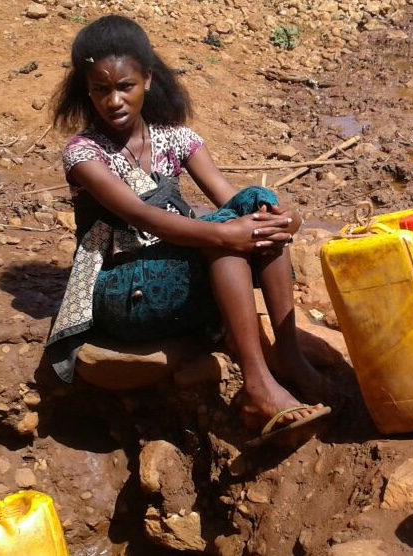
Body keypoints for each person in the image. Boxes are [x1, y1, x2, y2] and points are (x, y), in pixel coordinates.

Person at [44, 14, 330, 445]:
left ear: (148, 80)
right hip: (121, 289)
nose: (114, 101)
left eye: (125, 87)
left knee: (256, 200)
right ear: (87, 90)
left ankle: (288, 357)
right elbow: (144, 218)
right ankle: (256, 386)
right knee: (222, 229)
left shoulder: (175, 138)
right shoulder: (84, 154)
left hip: (174, 271)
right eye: (101, 90)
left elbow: (229, 197)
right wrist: (224, 234)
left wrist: (284, 218)